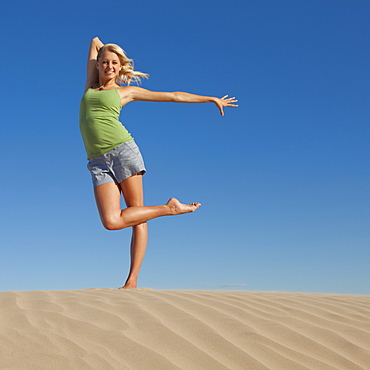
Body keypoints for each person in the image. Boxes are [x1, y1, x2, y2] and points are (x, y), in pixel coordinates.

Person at [79, 37, 238, 289]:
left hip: (123, 152)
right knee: (111, 221)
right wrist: (107, 49)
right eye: (104, 62)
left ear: (120, 68)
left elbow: (172, 96)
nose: (109, 66)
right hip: (97, 162)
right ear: (97, 65)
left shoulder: (125, 92)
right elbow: (95, 41)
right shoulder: (90, 86)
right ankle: (169, 208)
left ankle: (131, 282)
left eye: (114, 63)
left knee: (137, 215)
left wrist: (210, 99)